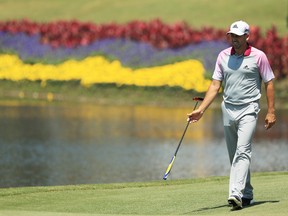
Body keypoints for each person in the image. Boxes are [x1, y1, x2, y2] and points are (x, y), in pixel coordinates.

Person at [187, 20, 276, 210]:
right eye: (231, 36)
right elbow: (214, 86)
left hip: (249, 109)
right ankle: (247, 193)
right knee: (235, 154)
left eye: (237, 36)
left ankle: (235, 194)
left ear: (247, 36)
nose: (234, 39)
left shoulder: (259, 57)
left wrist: (271, 111)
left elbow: (269, 82)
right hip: (228, 109)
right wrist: (201, 110)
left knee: (243, 151)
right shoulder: (223, 56)